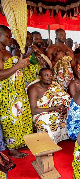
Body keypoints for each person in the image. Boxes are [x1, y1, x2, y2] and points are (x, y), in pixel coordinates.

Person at [0, 25, 32, 158]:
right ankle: (12, 149)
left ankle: (20, 143)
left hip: (17, 90)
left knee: (20, 117)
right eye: (7, 36)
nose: (10, 38)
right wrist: (18, 65)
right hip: (7, 92)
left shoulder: (6, 50)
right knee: (11, 119)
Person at [27, 68, 70, 143]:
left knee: (69, 113)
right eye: (46, 75)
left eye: (51, 75)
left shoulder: (54, 85)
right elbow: (33, 110)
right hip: (39, 112)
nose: (50, 77)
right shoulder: (33, 89)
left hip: (54, 109)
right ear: (40, 77)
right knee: (45, 120)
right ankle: (48, 143)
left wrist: (62, 107)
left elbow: (62, 97)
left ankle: (63, 138)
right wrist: (53, 109)